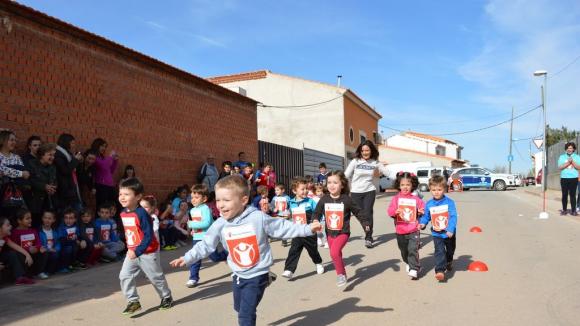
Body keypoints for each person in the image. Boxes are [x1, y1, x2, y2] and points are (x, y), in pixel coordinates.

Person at [170, 175, 322, 326]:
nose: (220, 205)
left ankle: (264, 279)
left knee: (245, 315)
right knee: (239, 307)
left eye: (226, 200)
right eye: (218, 200)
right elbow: (206, 244)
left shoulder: (257, 218)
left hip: (257, 273)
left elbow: (282, 228)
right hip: (238, 274)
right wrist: (188, 257)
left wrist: (308, 228)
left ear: (243, 200)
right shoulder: (220, 223)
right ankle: (267, 280)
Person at [118, 178, 173, 315]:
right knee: (124, 275)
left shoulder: (142, 214)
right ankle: (133, 301)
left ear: (137, 196)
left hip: (147, 252)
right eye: (120, 194)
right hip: (132, 252)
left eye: (126, 194)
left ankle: (166, 297)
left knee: (155, 277)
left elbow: (148, 237)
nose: (122, 197)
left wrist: (137, 251)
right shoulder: (123, 213)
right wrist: (130, 248)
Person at [313, 171, 366, 287]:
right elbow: (316, 212)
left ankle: (341, 274)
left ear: (342, 185)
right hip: (330, 232)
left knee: (334, 252)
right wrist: (315, 220)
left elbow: (358, 212)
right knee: (336, 254)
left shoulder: (347, 199)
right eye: (329, 182)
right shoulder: (324, 199)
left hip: (343, 232)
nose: (332, 185)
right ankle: (342, 273)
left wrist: (365, 223)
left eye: (335, 183)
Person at [345, 140, 390, 249]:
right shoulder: (355, 161)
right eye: (363, 150)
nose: (365, 152)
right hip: (355, 192)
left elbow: (387, 173)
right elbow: (346, 175)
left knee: (368, 213)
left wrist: (401, 176)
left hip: (369, 191)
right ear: (360, 151)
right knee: (361, 215)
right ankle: (367, 228)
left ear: (371, 151)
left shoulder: (375, 162)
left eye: (367, 150)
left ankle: (368, 237)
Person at [281, 177, 324, 279]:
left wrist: (316, 221)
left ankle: (318, 263)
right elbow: (289, 214)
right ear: (294, 191)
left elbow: (318, 213)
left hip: (309, 230)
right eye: (302, 189)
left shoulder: (310, 202)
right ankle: (289, 270)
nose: (305, 191)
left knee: (312, 250)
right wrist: (287, 216)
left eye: (306, 189)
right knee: (294, 250)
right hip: (297, 230)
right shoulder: (291, 202)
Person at [419, 175, 458, 282]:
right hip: (437, 234)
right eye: (434, 190)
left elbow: (454, 216)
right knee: (439, 251)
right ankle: (440, 271)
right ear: (430, 189)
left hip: (449, 233)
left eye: (439, 189)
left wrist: (450, 229)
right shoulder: (429, 204)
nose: (436, 192)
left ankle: (449, 261)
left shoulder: (449, 202)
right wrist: (422, 223)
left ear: (444, 189)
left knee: (450, 251)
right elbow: (426, 216)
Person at [387, 172, 425, 280]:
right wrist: (395, 211)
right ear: (399, 185)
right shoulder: (396, 199)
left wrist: (421, 212)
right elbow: (390, 211)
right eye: (402, 185)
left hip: (414, 229)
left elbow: (424, 209)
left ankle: (414, 268)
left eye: (408, 185)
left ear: (412, 185)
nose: (405, 187)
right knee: (404, 251)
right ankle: (408, 262)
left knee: (413, 249)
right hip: (400, 230)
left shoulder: (416, 199)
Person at [185, 184, 214, 288]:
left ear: (204, 198)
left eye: (196, 198)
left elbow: (206, 223)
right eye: (192, 197)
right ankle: (193, 278)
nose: (193, 200)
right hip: (197, 238)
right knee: (195, 257)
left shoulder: (205, 208)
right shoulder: (192, 210)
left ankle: (231, 262)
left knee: (214, 257)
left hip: (207, 238)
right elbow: (197, 223)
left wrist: (191, 224)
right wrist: (193, 230)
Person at [10, 208, 48, 280]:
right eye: (27, 218)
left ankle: (39, 272)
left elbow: (38, 243)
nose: (30, 220)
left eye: (30, 218)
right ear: (19, 221)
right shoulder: (15, 233)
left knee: (44, 251)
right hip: (24, 256)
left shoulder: (33, 231)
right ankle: (26, 274)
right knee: (18, 255)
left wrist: (38, 248)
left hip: (34, 253)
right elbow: (14, 247)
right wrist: (28, 250)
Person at [0, 130, 30, 217]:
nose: (14, 142)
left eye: (15, 140)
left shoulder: (16, 157)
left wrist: (9, 172)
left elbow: (26, 174)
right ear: (3, 140)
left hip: (15, 194)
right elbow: (2, 170)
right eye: (11, 140)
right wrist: (20, 173)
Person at [28, 143, 58, 227]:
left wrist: (53, 188)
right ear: (42, 155)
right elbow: (30, 180)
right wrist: (44, 186)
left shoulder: (53, 167)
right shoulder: (32, 164)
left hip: (49, 202)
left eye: (53, 155)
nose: (52, 157)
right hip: (35, 202)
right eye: (50, 155)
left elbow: (55, 181)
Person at [0, 216, 34, 285]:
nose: (11, 226)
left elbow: (17, 247)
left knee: (12, 253)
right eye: (8, 225)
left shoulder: (4, 238)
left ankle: (20, 278)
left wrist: (27, 255)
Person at [54, 133, 83, 212]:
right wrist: (75, 159)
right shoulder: (58, 154)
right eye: (72, 143)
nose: (74, 145)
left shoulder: (67, 153)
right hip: (64, 190)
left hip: (72, 188)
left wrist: (77, 161)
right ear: (66, 142)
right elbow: (65, 170)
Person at [90, 138, 119, 209]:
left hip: (110, 185)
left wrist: (115, 161)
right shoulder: (95, 157)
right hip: (101, 185)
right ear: (97, 145)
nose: (104, 148)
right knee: (101, 206)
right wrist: (110, 157)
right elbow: (103, 165)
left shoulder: (103, 158)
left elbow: (110, 171)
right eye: (102, 146)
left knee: (114, 206)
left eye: (105, 146)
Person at [57, 208, 85, 273]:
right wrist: (72, 239)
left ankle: (72, 264)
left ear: (75, 219)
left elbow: (78, 236)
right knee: (69, 248)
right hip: (63, 246)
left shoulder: (75, 227)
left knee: (78, 246)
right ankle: (63, 267)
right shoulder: (61, 227)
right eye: (66, 218)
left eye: (71, 218)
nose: (68, 220)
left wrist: (80, 240)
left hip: (73, 245)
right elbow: (61, 240)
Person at [557, 142, 580, 216]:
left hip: (574, 178)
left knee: (572, 195)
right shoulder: (562, 157)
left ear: (573, 149)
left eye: (571, 148)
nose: (569, 149)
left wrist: (572, 161)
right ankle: (564, 210)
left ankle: (573, 211)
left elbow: (578, 167)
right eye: (568, 148)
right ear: (566, 149)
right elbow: (560, 167)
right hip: (564, 178)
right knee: (564, 195)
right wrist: (568, 163)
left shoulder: (577, 157)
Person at [312, 184, 328, 248]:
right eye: (318, 191)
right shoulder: (313, 200)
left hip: (324, 217)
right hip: (317, 218)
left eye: (321, 191)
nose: (320, 193)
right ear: (315, 192)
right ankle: (319, 239)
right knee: (318, 229)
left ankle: (326, 242)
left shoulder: (325, 198)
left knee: (325, 230)